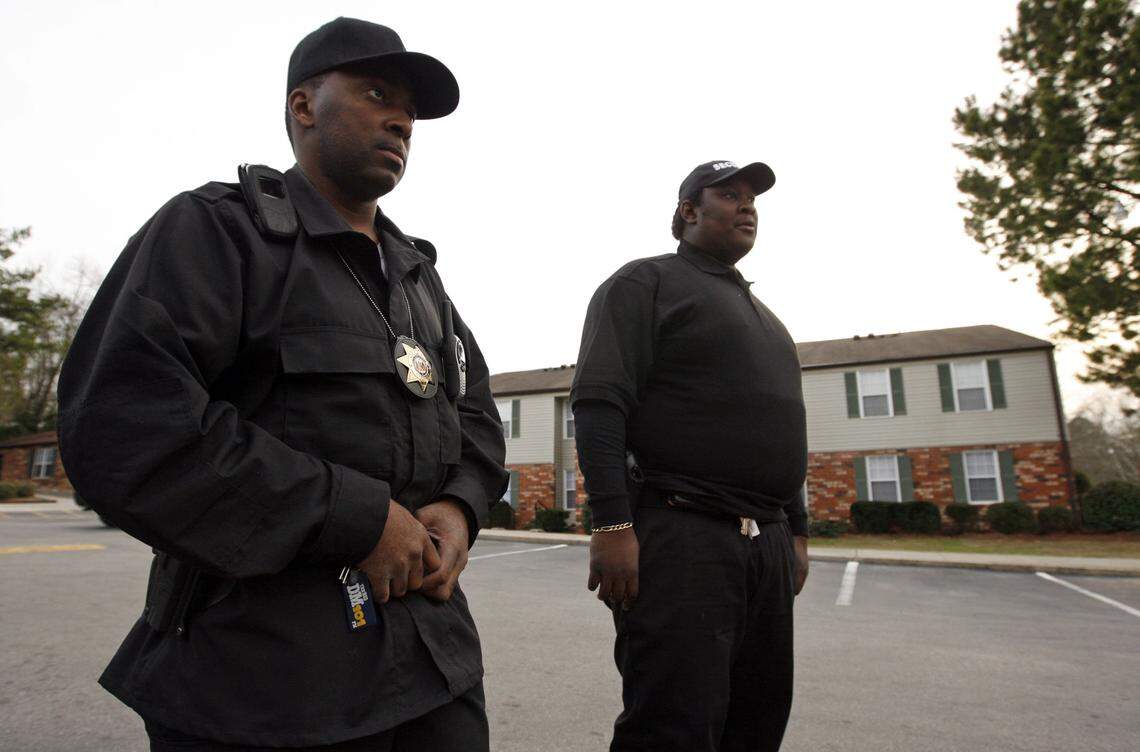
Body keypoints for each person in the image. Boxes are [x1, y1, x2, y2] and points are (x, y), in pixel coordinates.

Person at [57, 17, 506, 752]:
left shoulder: (419, 279)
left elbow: (477, 416)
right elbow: (125, 427)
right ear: (303, 106)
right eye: (375, 92)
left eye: (410, 111)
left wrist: (460, 506)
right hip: (264, 676)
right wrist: (354, 517)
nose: (401, 119)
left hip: (433, 667)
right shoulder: (218, 233)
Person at [571, 160, 811, 752]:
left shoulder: (769, 321)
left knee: (757, 720)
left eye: (753, 199)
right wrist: (612, 522)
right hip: (681, 535)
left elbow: (787, 428)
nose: (747, 206)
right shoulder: (644, 283)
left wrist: (798, 534)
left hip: (766, 544)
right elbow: (600, 404)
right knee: (674, 725)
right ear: (688, 213)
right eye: (729, 195)